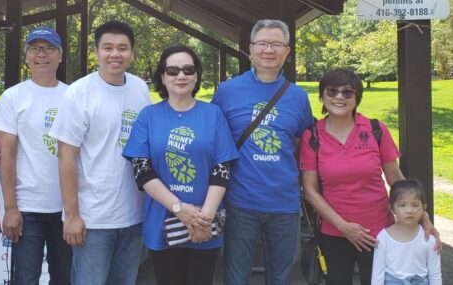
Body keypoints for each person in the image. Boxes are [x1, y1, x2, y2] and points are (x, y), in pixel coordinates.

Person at [300, 68, 439, 285]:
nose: (339, 97)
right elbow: (310, 190)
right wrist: (344, 226)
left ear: (357, 98)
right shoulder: (313, 135)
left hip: (379, 231)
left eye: (347, 93)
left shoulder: (376, 129)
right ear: (322, 95)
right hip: (334, 231)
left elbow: (396, 179)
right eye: (332, 91)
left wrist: (424, 217)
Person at [123, 45, 238, 285]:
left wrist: (203, 218)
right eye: (173, 70)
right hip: (162, 221)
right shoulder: (148, 116)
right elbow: (141, 170)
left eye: (188, 69)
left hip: (205, 222)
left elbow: (223, 168)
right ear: (163, 77)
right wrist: (180, 209)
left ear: (196, 76)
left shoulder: (213, 114)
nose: (181, 76)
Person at [212, 19, 314, 285]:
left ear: (287, 51)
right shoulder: (227, 91)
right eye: (263, 43)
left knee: (280, 277)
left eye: (276, 44)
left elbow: (302, 144)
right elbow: (215, 142)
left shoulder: (298, 97)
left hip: (285, 203)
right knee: (235, 276)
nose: (269, 50)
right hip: (240, 201)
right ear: (251, 49)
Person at [51, 20, 151, 285]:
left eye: (122, 48)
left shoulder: (141, 89)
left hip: (133, 217)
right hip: (92, 219)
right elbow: (66, 157)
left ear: (132, 52)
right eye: (107, 47)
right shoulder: (79, 93)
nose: (115, 54)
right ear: (96, 51)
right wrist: (72, 216)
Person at [0, 25, 72, 284]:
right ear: (26, 56)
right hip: (27, 210)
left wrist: (77, 210)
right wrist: (11, 208)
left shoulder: (74, 96)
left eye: (48, 49)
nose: (41, 55)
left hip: (67, 209)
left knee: (65, 279)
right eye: (35, 49)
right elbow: (8, 156)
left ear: (60, 55)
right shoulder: (13, 97)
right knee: (25, 279)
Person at [371, 179, 442, 285]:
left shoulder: (429, 239)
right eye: (402, 205)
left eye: (415, 205)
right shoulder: (384, 237)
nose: (409, 210)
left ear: (424, 208)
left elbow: (435, 274)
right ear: (392, 209)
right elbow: (377, 274)